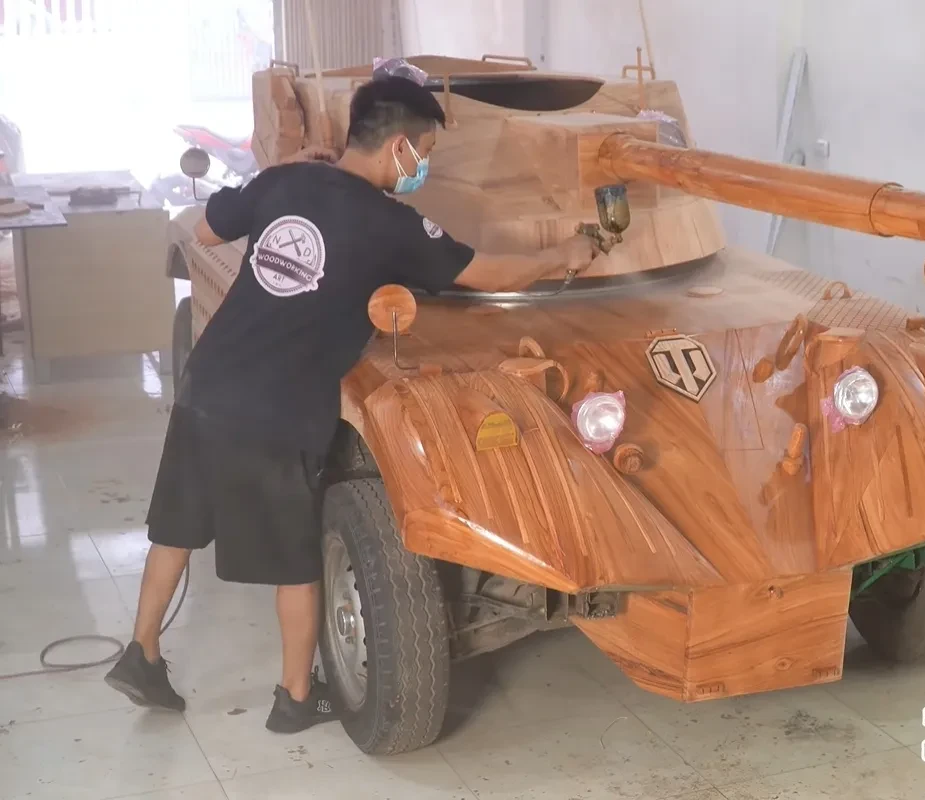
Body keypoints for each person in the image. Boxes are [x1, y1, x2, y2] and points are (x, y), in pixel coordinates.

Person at [104, 74, 600, 733]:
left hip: (210, 383)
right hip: (278, 409)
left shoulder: (284, 182)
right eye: (424, 152)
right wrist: (565, 253)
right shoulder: (391, 225)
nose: (422, 165)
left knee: (175, 530)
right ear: (398, 147)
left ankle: (140, 654)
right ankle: (295, 699)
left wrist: (278, 172)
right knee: (297, 562)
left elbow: (203, 229)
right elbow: (486, 273)